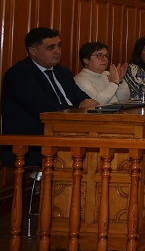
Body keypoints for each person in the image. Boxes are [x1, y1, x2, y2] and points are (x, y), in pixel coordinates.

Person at [1, 28, 99, 166]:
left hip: (65, 130)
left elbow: (83, 97)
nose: (57, 51)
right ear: (33, 51)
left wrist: (85, 103)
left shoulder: (62, 72)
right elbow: (46, 110)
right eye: (50, 47)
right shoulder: (20, 74)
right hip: (33, 140)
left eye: (59, 46)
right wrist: (79, 108)